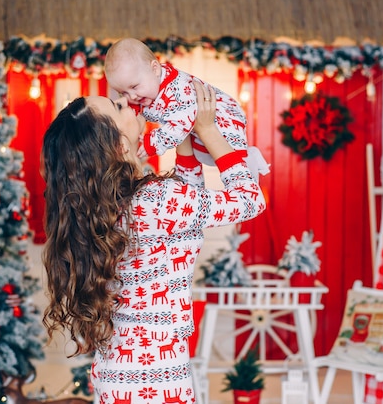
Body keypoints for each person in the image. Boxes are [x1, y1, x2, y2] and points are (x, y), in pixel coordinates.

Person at [41, 81, 266, 403]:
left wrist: (186, 140)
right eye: (117, 107)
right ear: (118, 144)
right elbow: (249, 200)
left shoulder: (105, 208)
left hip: (117, 374)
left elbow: (186, 206)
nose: (125, 101)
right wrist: (209, 130)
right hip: (157, 382)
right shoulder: (155, 200)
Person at [104, 37, 270, 178]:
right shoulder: (147, 89)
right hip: (197, 130)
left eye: (134, 87)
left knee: (231, 160)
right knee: (204, 155)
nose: (131, 97)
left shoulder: (178, 91)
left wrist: (151, 143)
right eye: (122, 92)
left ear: (155, 69)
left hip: (225, 118)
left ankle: (248, 166)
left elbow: (181, 124)